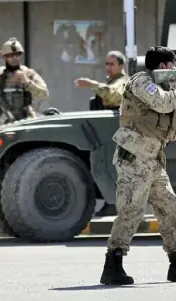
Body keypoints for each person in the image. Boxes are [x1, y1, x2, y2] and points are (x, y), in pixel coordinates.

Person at [100, 46, 176, 285]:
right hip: (134, 157)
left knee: (170, 207)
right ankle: (113, 263)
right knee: (132, 209)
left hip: (153, 158)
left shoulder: (167, 86)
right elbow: (163, 104)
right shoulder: (140, 82)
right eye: (173, 67)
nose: (175, 71)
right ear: (162, 67)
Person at [75, 50, 130, 217]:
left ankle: (114, 205)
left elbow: (114, 97)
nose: (108, 67)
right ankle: (111, 202)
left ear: (121, 65)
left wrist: (91, 84)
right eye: (106, 64)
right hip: (107, 133)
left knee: (114, 168)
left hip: (118, 132)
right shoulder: (112, 81)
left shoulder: (123, 82)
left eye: (112, 64)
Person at [0, 37, 49, 127]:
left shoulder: (29, 73)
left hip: (27, 121)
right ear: (4, 57)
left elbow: (44, 94)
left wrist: (27, 82)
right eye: (11, 55)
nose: (15, 58)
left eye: (18, 54)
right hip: (3, 122)